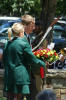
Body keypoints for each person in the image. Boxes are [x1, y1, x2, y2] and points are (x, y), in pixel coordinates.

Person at [3, 22, 45, 100]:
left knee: (10, 97)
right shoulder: (24, 44)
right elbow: (32, 60)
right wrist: (43, 63)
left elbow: (4, 60)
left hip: (9, 75)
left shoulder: (7, 44)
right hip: (20, 77)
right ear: (21, 32)